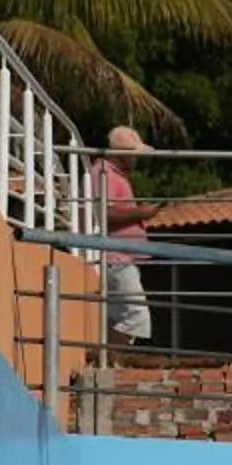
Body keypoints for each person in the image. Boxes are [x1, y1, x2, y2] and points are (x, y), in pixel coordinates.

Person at [94, 125, 155, 346]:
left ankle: (107, 359)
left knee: (118, 317)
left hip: (118, 257)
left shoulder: (112, 174)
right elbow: (105, 215)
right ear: (121, 154)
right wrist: (142, 213)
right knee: (136, 318)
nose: (136, 160)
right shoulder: (105, 174)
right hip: (115, 257)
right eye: (133, 154)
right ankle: (107, 358)